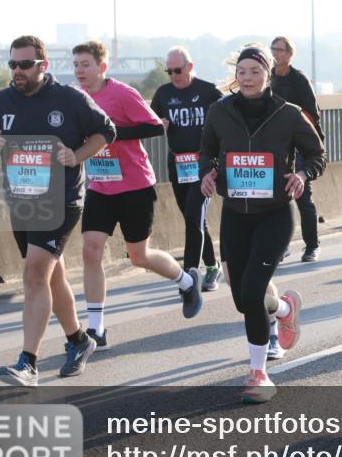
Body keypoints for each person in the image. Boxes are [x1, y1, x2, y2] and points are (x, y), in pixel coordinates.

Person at [0, 35, 116, 386]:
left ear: (43, 65)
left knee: (34, 274)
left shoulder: (68, 99)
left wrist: (77, 155)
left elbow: (106, 131)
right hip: (22, 200)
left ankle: (28, 364)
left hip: (61, 200)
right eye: (12, 64)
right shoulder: (0, 102)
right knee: (52, 276)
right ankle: (79, 341)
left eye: (25, 64)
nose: (17, 71)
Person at [200, 44, 326, 403]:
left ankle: (259, 374)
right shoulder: (219, 111)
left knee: (254, 291)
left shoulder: (288, 114)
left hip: (274, 213)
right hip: (235, 214)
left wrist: (301, 173)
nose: (248, 77)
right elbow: (206, 152)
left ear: (267, 74)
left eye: (255, 71)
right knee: (243, 300)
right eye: (242, 72)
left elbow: (317, 154)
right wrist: (207, 173)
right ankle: (285, 308)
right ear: (235, 76)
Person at [74, 41, 203, 351]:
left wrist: (110, 132)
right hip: (100, 186)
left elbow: (155, 127)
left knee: (138, 256)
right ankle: (96, 328)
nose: (80, 71)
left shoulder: (121, 94)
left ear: (102, 67)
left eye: (86, 64)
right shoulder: (75, 99)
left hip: (135, 186)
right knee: (91, 250)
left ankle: (187, 281)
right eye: (76, 65)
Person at [149, 46, 224, 291]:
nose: (173, 75)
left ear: (189, 67)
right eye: (168, 71)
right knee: (193, 220)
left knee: (194, 216)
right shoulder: (163, 94)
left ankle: (191, 277)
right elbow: (147, 121)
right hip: (179, 165)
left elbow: (230, 121)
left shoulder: (208, 91)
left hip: (205, 166)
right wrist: (157, 123)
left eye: (177, 70)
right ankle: (213, 266)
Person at [270, 36, 325, 262]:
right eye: (272, 49)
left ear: (289, 54)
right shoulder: (267, 78)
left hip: (299, 145)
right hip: (274, 145)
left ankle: (312, 245)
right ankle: (280, 246)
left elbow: (313, 113)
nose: (275, 54)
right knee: (274, 197)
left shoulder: (299, 79)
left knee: (302, 195)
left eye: (279, 50)